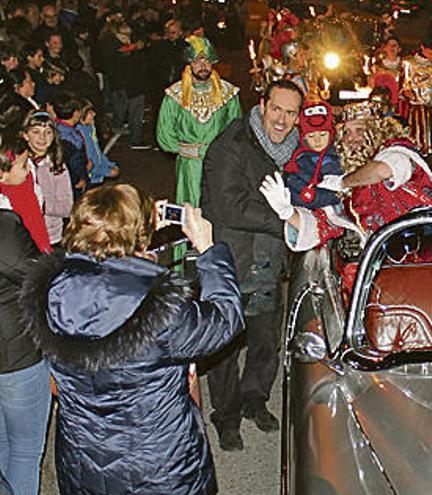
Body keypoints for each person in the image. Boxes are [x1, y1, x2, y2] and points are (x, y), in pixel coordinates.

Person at [21, 184, 242, 495]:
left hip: (84, 461)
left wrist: (142, 226)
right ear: (136, 237)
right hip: (158, 466)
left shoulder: (47, 291)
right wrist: (208, 250)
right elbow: (225, 318)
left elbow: (104, 267)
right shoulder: (160, 307)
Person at [200, 79, 302, 451]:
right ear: (262, 105)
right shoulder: (231, 145)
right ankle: (226, 416)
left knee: (265, 339)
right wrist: (289, 220)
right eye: (277, 109)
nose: (282, 119)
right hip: (234, 259)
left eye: (291, 113)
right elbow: (229, 206)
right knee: (224, 345)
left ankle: (254, 399)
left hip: (269, 261)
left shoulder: (292, 149)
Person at [260, 99, 432, 252]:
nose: (351, 138)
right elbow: (321, 224)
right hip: (388, 264)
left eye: (359, 130)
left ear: (376, 131)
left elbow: (382, 170)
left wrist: (343, 183)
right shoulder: (348, 182)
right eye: (346, 132)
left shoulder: (398, 150)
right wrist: (286, 212)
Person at [157, 34, 241, 266]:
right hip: (190, 167)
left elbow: (236, 130)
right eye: (197, 61)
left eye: (206, 61)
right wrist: (189, 151)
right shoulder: (174, 95)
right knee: (187, 212)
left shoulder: (228, 94)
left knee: (220, 212)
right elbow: (164, 136)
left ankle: (218, 267)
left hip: (220, 167)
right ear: (189, 64)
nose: (202, 66)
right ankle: (182, 269)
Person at [0, 139, 51, 495]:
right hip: (16, 354)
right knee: (25, 449)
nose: (28, 169)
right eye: (21, 165)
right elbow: (39, 276)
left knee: (3, 442)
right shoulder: (4, 228)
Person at [401, 37, 432, 186]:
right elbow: (404, 88)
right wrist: (410, 93)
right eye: (430, 51)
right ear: (422, 48)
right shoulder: (409, 62)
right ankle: (419, 184)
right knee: (417, 149)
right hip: (418, 111)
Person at [20, 109, 72, 247]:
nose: (42, 138)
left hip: (50, 236)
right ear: (25, 135)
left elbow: (67, 207)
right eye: (35, 132)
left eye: (48, 133)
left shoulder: (57, 166)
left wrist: (42, 205)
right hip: (21, 234)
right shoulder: (17, 164)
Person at [285, 99, 342, 208]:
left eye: (323, 134)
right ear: (304, 137)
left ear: (331, 134)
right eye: (311, 136)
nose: (318, 140)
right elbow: (294, 187)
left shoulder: (339, 156)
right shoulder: (297, 159)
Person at [76, 100, 120, 186]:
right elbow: (90, 161)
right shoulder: (81, 134)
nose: (94, 114)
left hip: (97, 176)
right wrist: (106, 171)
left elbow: (97, 153)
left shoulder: (90, 129)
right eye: (90, 112)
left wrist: (109, 164)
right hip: (91, 178)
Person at [368, 36, 403, 111]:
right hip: (382, 102)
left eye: (394, 45)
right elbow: (371, 82)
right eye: (389, 45)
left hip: (400, 102)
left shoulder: (405, 64)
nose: (392, 47)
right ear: (385, 48)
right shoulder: (377, 66)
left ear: (399, 49)